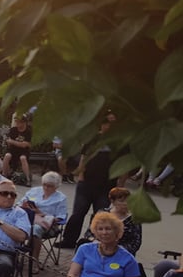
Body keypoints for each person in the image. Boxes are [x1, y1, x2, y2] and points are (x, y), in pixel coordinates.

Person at [57, 212, 140, 277]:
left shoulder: (128, 259)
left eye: (108, 229)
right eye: (100, 229)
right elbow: (72, 274)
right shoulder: (85, 249)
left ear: (117, 232)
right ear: (95, 232)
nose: (104, 232)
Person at [58, 113, 119, 249]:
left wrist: (120, 185)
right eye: (106, 123)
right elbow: (84, 157)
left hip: (107, 185)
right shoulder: (93, 139)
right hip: (86, 183)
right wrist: (81, 175)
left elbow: (123, 165)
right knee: (78, 213)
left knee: (100, 215)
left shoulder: (119, 142)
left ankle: (93, 241)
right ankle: (69, 240)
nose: (108, 126)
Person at [17, 171, 68, 267]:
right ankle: (13, 255)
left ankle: (34, 261)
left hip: (48, 226)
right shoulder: (34, 191)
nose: (46, 188)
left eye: (50, 186)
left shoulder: (61, 198)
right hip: (28, 219)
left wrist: (40, 213)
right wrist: (24, 206)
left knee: (35, 229)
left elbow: (61, 217)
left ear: (56, 186)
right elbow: (19, 204)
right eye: (44, 184)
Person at [77, 187, 142, 256]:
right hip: (98, 249)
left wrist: (117, 250)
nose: (125, 204)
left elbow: (136, 242)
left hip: (121, 253)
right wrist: (95, 242)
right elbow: (89, 233)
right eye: (121, 201)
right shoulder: (102, 213)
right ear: (112, 201)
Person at [3, 115, 32, 186]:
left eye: (18, 122)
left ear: (23, 122)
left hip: (24, 151)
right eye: (16, 122)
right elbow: (9, 142)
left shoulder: (28, 131)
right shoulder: (13, 130)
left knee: (23, 158)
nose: (17, 124)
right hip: (13, 149)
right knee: (7, 156)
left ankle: (27, 179)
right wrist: (17, 143)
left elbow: (24, 145)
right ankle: (4, 176)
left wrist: (12, 142)